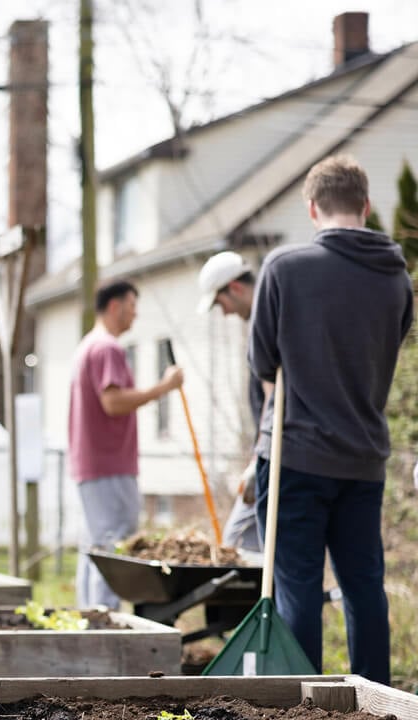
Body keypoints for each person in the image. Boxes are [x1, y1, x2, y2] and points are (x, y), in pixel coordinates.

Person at [248, 154, 412, 685]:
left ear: (312, 209)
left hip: (296, 454)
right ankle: (377, 699)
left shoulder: (285, 268)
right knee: (364, 584)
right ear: (366, 206)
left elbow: (261, 360)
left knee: (297, 584)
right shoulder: (398, 280)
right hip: (364, 457)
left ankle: (305, 703)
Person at [69, 279, 184, 609]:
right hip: (109, 463)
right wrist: (163, 388)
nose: (136, 315)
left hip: (91, 464)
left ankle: (90, 619)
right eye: (133, 306)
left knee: (95, 545)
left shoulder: (87, 346)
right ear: (115, 306)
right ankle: (106, 623)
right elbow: (113, 402)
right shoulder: (107, 349)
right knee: (114, 546)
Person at [196, 250, 261, 553]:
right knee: (243, 546)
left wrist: (261, 456)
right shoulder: (260, 322)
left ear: (235, 287)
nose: (223, 312)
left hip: (279, 455)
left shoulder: (267, 322)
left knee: (235, 545)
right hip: (266, 452)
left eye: (220, 302)